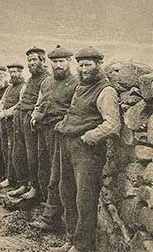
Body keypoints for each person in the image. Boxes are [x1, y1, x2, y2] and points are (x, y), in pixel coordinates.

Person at [53, 46, 121, 252]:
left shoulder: (106, 91)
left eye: (88, 65)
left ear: (98, 65)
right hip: (67, 145)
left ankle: (82, 246)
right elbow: (74, 112)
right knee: (67, 192)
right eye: (81, 65)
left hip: (87, 151)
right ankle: (71, 239)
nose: (84, 69)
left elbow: (112, 124)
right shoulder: (81, 87)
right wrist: (63, 124)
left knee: (84, 199)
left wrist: (88, 137)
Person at [28, 45, 78, 232]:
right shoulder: (47, 82)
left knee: (57, 175)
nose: (58, 65)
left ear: (69, 62)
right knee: (44, 169)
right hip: (43, 130)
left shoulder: (76, 83)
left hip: (60, 132)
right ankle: (46, 207)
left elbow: (75, 109)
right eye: (55, 62)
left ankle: (52, 218)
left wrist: (62, 125)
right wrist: (35, 115)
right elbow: (40, 102)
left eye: (61, 61)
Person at [9, 47, 50, 201]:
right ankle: (22, 183)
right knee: (18, 152)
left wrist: (33, 117)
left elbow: (42, 101)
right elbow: (23, 99)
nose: (32, 63)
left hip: (30, 119)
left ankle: (35, 188)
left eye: (35, 59)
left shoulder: (46, 78)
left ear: (42, 61)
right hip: (20, 116)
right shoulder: (31, 79)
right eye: (30, 60)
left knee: (32, 155)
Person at [0, 63, 25, 188]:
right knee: (5, 149)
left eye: (15, 72)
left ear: (20, 73)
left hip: (14, 122)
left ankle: (13, 179)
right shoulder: (10, 87)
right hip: (4, 121)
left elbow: (20, 104)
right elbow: (2, 100)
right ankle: (8, 176)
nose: (13, 74)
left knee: (13, 149)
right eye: (11, 72)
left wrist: (6, 113)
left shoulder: (23, 87)